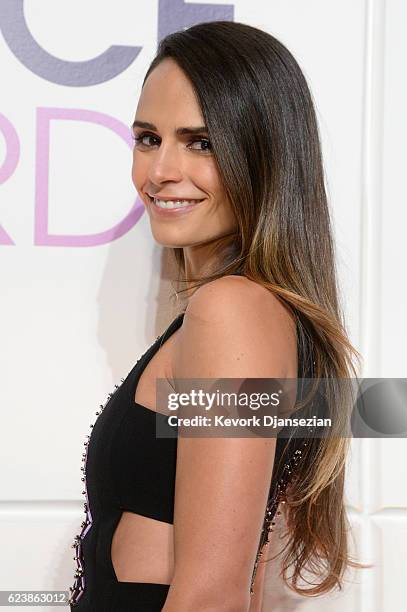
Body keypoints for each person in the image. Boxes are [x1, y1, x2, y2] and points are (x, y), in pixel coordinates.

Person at [69, 20, 363, 611]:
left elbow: (213, 597)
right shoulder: (246, 308)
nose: (159, 173)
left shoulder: (232, 310)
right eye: (148, 138)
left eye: (201, 142)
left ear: (265, 155)